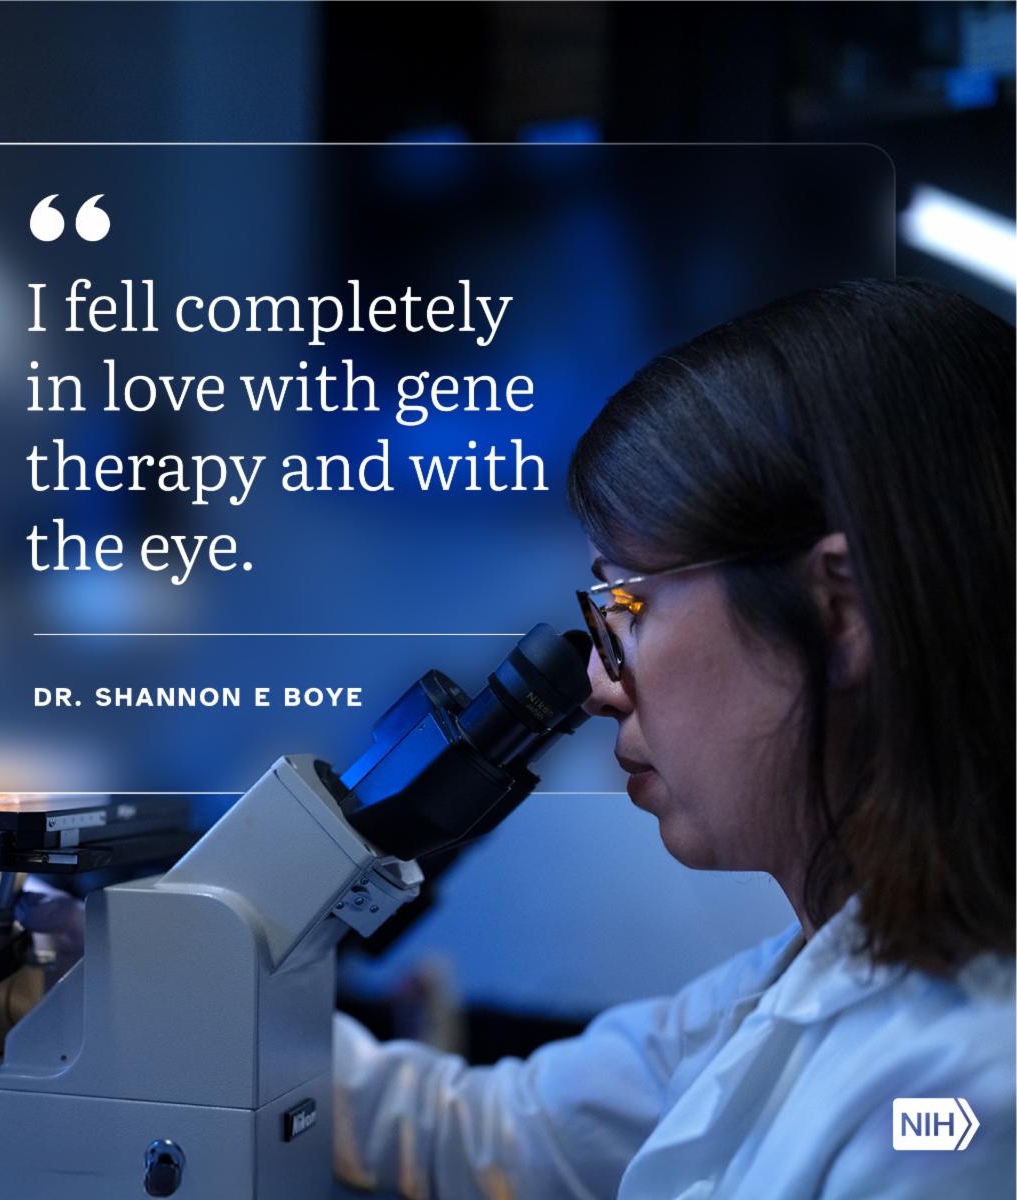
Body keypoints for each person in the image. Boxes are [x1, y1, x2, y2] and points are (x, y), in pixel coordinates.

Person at [331, 278, 1015, 1199]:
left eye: (627, 605)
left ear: (841, 612)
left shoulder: (961, 1096)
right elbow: (489, 1131)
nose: (602, 684)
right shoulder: (807, 976)